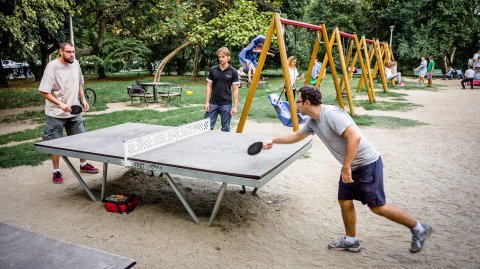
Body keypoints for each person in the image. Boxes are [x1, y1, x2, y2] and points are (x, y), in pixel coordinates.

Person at [263, 86, 433, 253]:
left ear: (306, 103)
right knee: (345, 201)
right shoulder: (313, 121)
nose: (296, 105)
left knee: (378, 207)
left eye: (297, 101)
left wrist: (346, 167)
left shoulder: (331, 115)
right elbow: (297, 135)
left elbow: (354, 136)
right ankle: (351, 240)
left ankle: (418, 227)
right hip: (351, 166)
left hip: (366, 164)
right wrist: (273, 140)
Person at [38, 41, 99, 184]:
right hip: (56, 113)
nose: (72, 55)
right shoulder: (52, 67)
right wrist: (60, 104)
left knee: (81, 138)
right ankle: (56, 171)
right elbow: (43, 91)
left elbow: (78, 83)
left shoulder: (76, 64)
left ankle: (83, 165)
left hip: (74, 110)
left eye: (73, 52)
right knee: (56, 144)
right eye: (69, 52)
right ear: (60, 51)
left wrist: (83, 99)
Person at [205, 47, 240, 132]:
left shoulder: (233, 72)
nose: (220, 59)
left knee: (225, 129)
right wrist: (207, 102)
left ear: (228, 57)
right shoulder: (213, 69)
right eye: (219, 57)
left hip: (226, 104)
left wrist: (235, 107)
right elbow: (209, 86)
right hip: (213, 103)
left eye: (223, 57)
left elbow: (235, 90)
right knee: (205, 128)